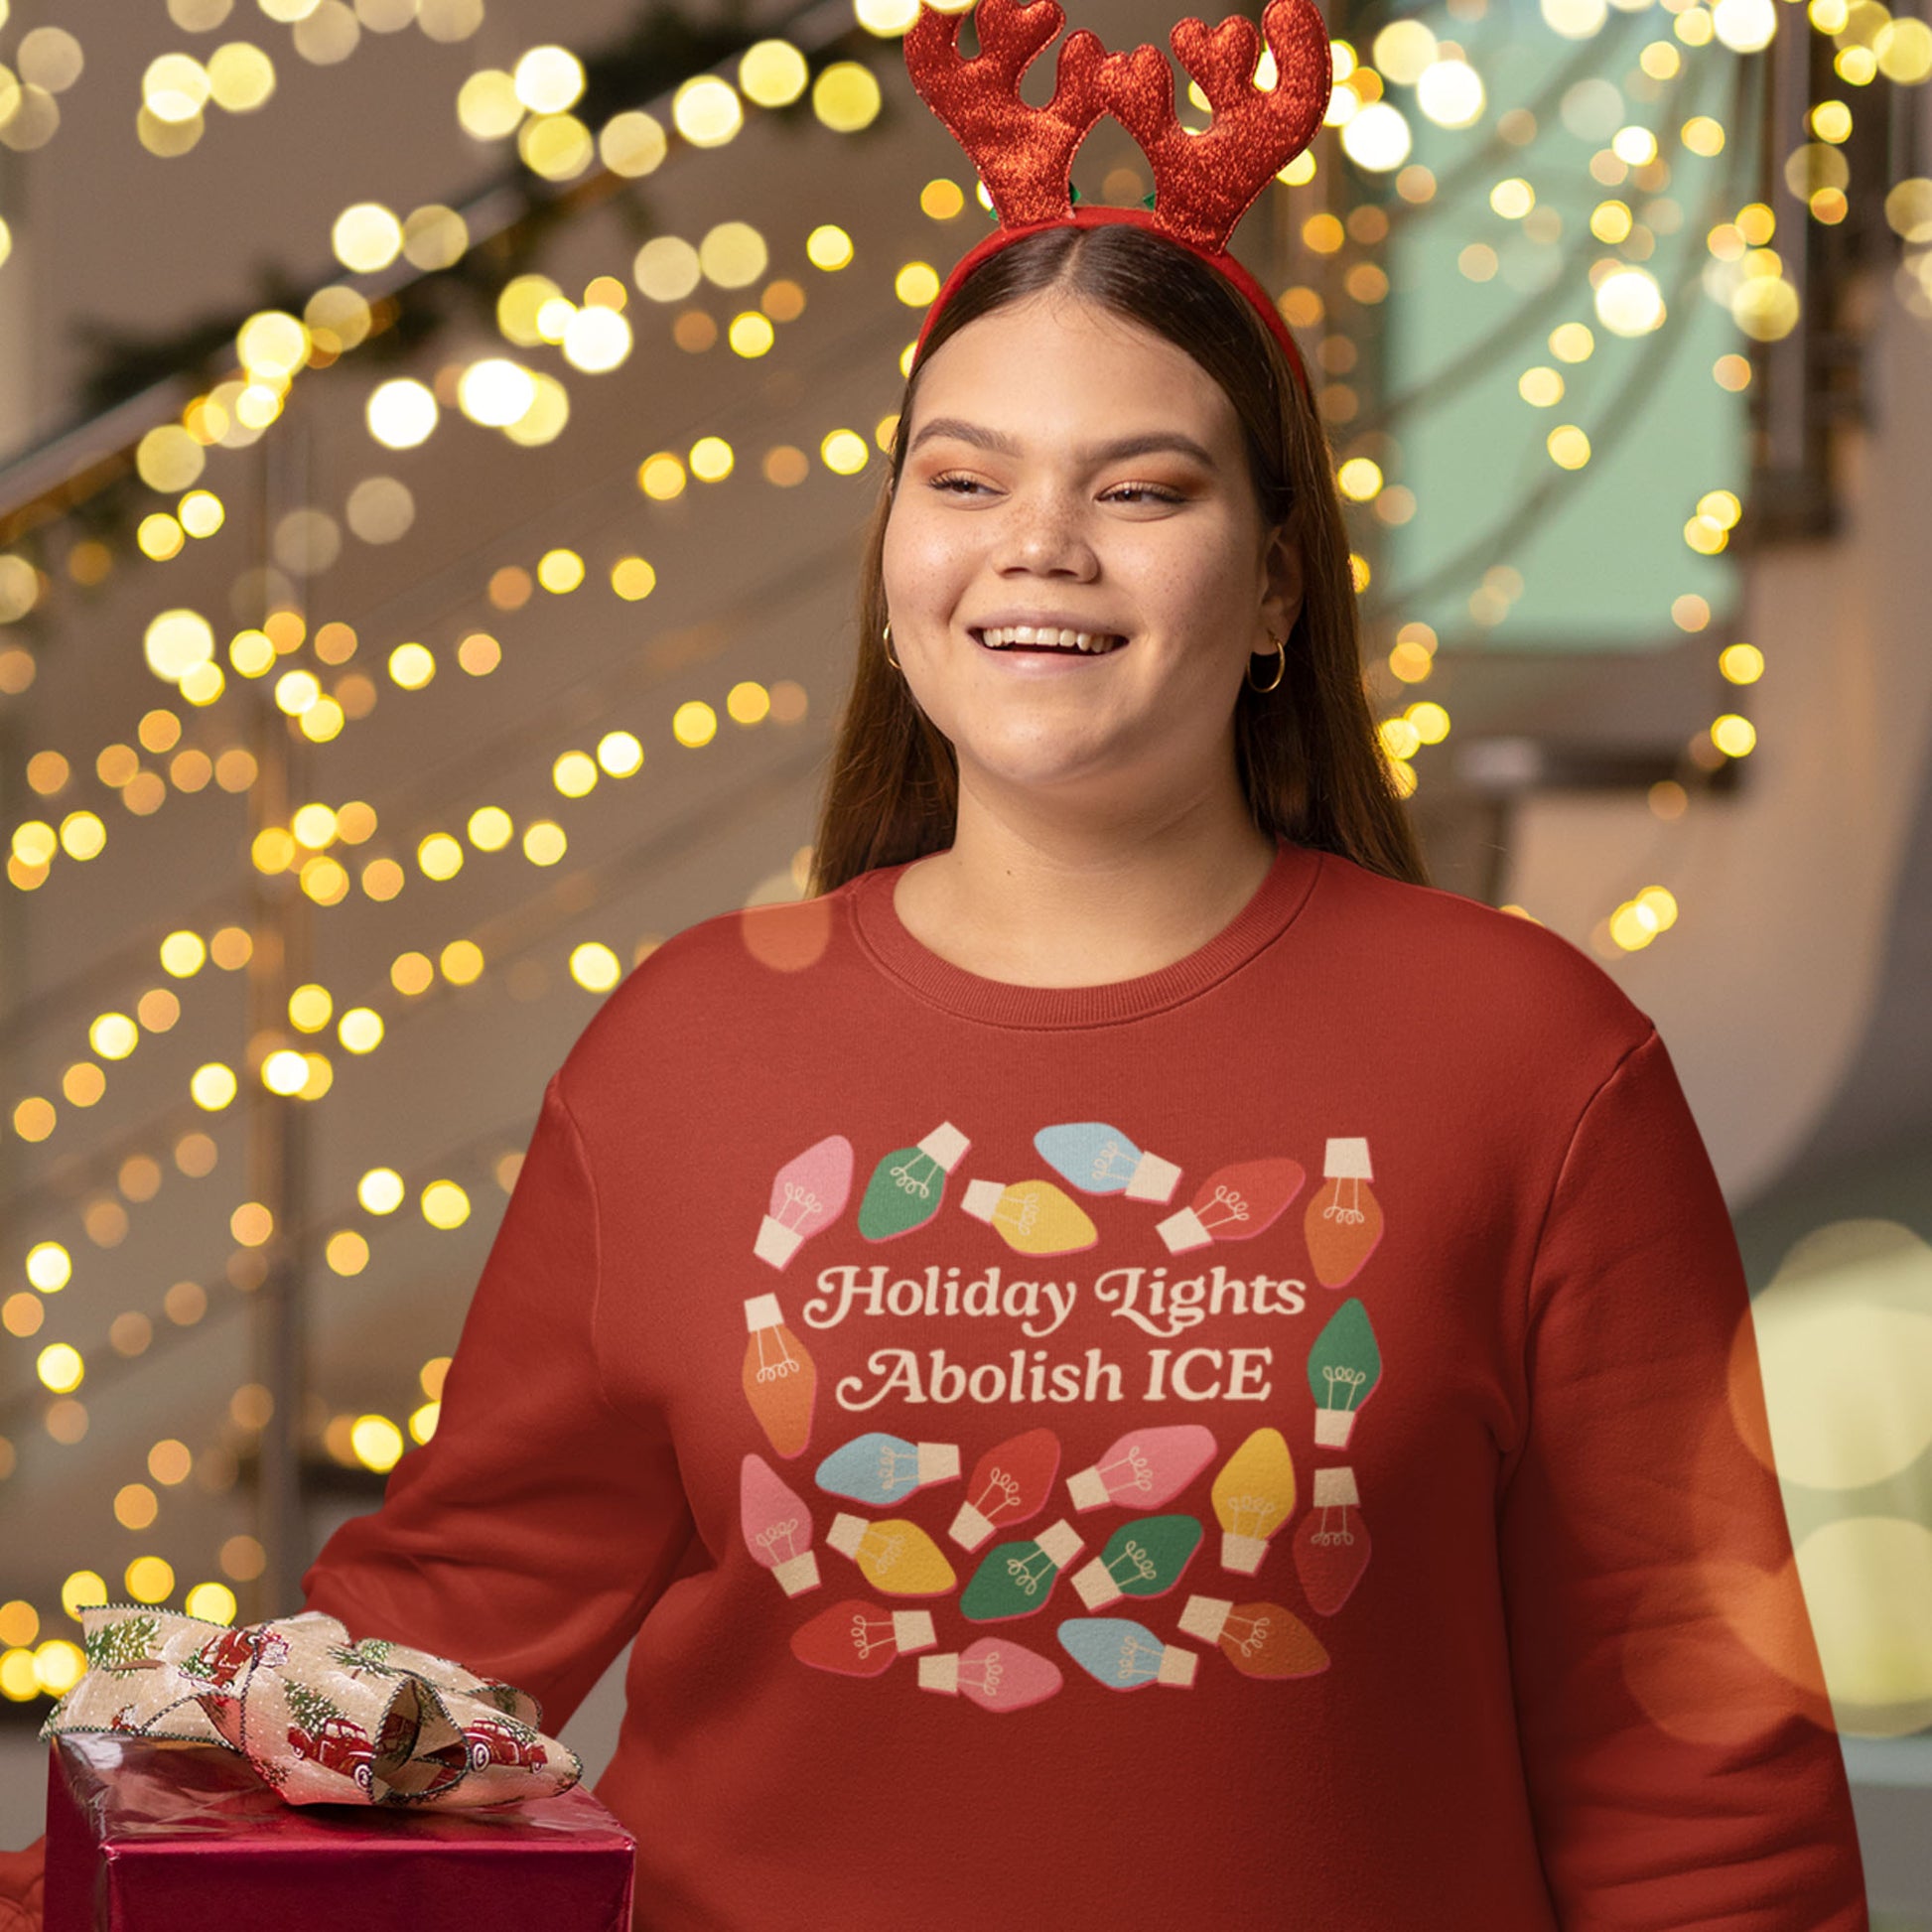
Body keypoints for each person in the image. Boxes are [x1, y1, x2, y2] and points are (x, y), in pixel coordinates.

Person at [11, 2, 1870, 1926]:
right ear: (894, 562)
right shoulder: (684, 1047)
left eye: (1140, 488)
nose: (1037, 546)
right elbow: (441, 1629)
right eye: (965, 479)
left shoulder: (1527, 1057)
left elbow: (1695, 1768)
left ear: (1273, 584)